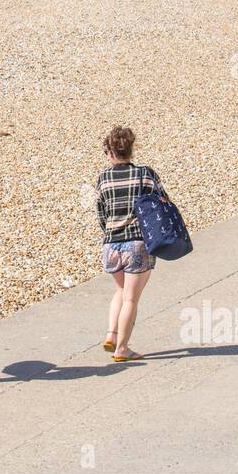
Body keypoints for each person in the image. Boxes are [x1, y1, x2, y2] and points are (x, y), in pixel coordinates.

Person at [95, 126, 163, 362]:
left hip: (111, 245)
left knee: (121, 291)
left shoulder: (103, 179)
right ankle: (122, 348)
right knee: (131, 299)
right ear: (131, 149)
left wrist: (111, 231)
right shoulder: (145, 174)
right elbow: (161, 200)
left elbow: (101, 213)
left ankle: (111, 335)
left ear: (110, 152)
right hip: (136, 242)